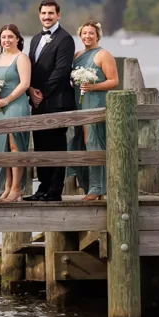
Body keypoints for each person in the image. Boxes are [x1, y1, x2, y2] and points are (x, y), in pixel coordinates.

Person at [22, 0, 76, 203]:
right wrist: (31, 91)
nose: (47, 16)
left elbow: (61, 71)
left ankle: (54, 191)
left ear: (58, 15)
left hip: (57, 101)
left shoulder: (65, 39)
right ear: (39, 15)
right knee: (41, 147)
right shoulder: (35, 39)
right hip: (38, 102)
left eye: (51, 13)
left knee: (56, 146)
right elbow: (31, 68)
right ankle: (42, 188)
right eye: (44, 13)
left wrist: (41, 92)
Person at [68, 20, 119, 201]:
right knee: (81, 142)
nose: (87, 36)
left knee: (94, 142)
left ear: (97, 35)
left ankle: (98, 187)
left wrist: (93, 86)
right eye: (84, 33)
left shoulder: (103, 55)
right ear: (80, 35)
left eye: (91, 33)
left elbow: (113, 81)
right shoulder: (77, 55)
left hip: (96, 102)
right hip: (79, 103)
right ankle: (88, 184)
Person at [0, 24, 32, 202]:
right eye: (3, 37)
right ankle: (6, 185)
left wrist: (7, 100)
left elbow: (25, 83)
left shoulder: (21, 58)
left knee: (15, 147)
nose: (6, 40)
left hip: (15, 104)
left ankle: (16, 188)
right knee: (2, 146)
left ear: (17, 39)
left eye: (10, 37)